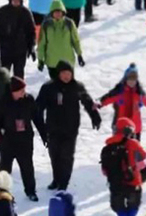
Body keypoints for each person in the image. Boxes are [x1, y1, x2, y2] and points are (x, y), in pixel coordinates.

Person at [36, 61, 101, 190]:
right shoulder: (48, 88)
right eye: (64, 73)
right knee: (55, 155)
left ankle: (63, 183)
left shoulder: (77, 87)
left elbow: (87, 102)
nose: (66, 76)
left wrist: (95, 116)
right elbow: (38, 107)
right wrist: (40, 124)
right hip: (53, 128)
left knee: (66, 156)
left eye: (69, 73)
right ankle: (56, 179)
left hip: (70, 129)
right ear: (58, 74)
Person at [0, 77, 46, 202]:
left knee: (27, 167)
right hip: (8, 140)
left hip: (25, 140)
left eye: (24, 89)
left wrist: (44, 135)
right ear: (12, 91)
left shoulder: (29, 100)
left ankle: (30, 191)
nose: (23, 92)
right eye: (20, 90)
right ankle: (2, 193)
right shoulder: (3, 102)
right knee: (4, 168)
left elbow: (37, 118)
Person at [101, 117, 146, 216]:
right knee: (134, 206)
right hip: (133, 183)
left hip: (115, 185)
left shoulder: (107, 148)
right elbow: (142, 158)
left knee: (118, 208)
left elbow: (104, 171)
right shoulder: (133, 144)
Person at [97, 63, 146, 141]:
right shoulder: (119, 92)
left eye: (134, 80)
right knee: (119, 151)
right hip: (120, 129)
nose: (132, 82)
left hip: (135, 129)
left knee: (134, 151)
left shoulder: (139, 93)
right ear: (125, 79)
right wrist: (98, 104)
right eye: (130, 79)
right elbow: (107, 98)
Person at [0, 0, 36, 79]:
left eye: (18, 0)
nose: (16, 2)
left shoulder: (26, 13)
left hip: (21, 49)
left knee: (19, 74)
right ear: (10, 0)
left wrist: (31, 47)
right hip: (6, 48)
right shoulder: (2, 12)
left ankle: (19, 92)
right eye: (14, 0)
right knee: (4, 74)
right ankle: (5, 92)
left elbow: (31, 31)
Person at [37, 0, 83, 79]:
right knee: (55, 87)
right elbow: (42, 43)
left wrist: (79, 54)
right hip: (52, 62)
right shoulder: (46, 25)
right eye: (55, 12)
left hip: (67, 62)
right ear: (52, 13)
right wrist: (40, 59)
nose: (58, 14)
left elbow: (75, 40)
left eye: (59, 12)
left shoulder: (69, 23)